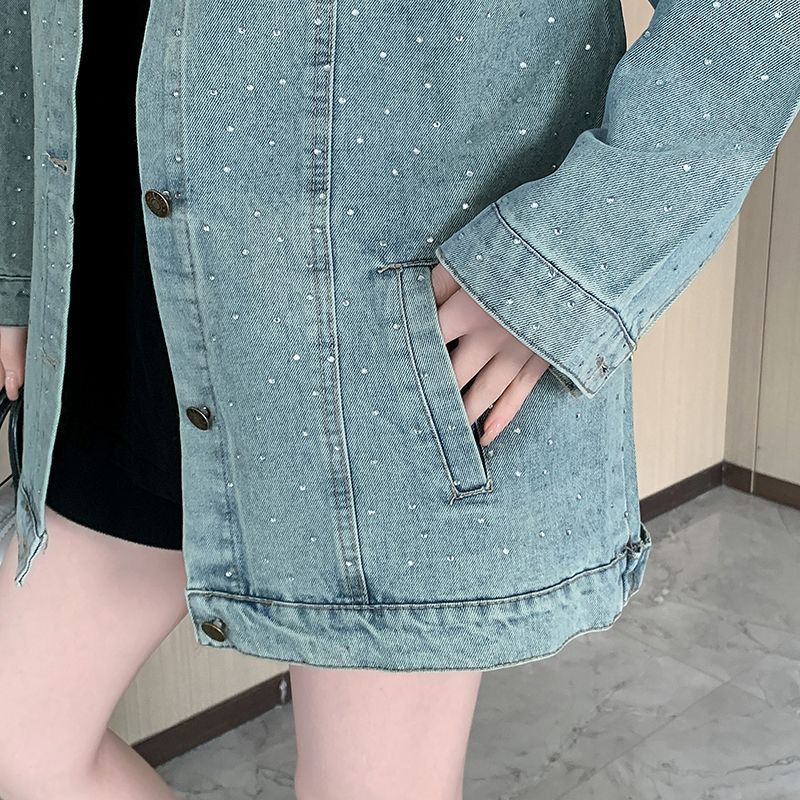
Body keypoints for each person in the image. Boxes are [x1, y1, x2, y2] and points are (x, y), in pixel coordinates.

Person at [0, 2, 798, 799]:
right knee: (22, 738)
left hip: (389, 340)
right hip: (118, 300)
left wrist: (561, 264)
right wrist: (14, 265)